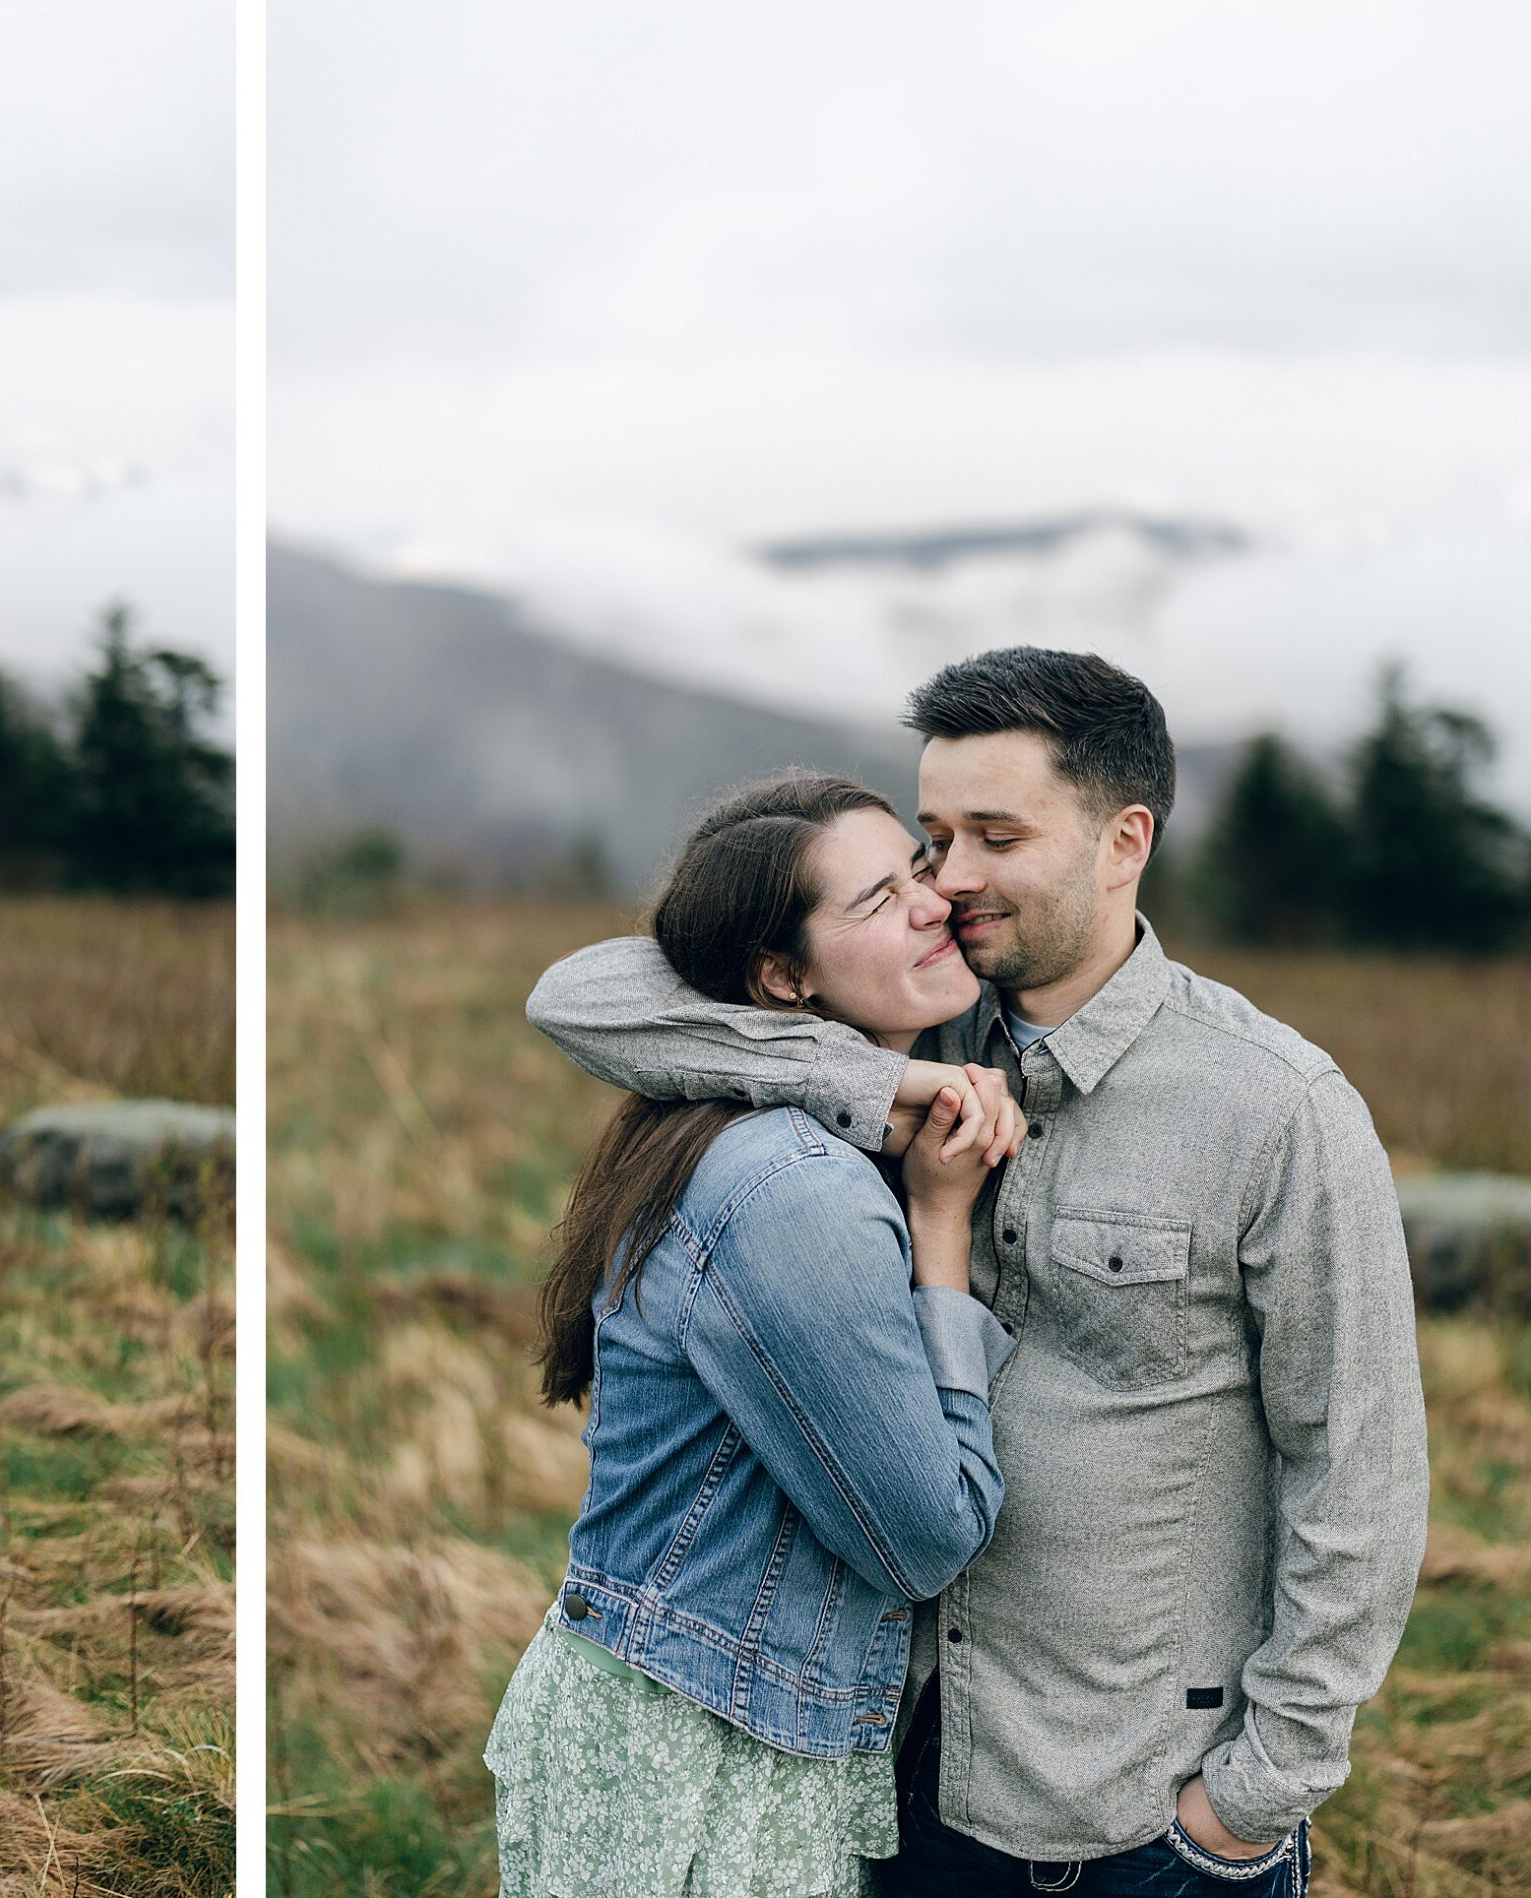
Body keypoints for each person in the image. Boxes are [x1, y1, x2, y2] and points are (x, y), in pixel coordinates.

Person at [529, 648, 1430, 1896]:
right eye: (932, 833)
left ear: (1124, 840)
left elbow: (1362, 1475)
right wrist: (873, 1077)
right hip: (886, 1776)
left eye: (993, 835)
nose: (948, 878)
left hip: (1133, 1816)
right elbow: (585, 996)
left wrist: (1250, 1796)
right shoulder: (909, 1010)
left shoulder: (1277, 1111)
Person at [486, 772, 1023, 1897]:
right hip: (702, 1763)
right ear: (779, 977)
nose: (933, 902)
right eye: (877, 900)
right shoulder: (792, 1183)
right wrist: (937, 1217)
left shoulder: (756, 1109)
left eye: (917, 870)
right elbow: (925, 1536)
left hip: (667, 1721)